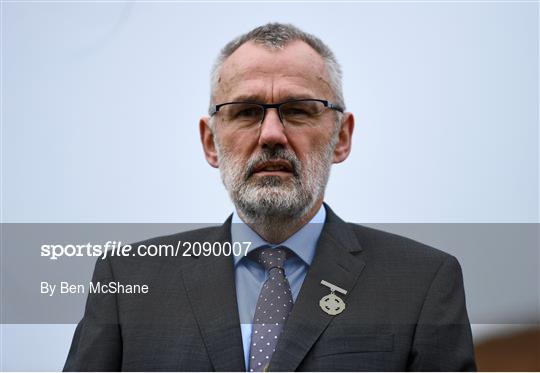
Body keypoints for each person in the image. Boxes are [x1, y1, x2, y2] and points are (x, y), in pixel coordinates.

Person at [64, 23, 476, 371]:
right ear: (210, 142)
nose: (272, 134)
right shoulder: (127, 281)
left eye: (298, 110)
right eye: (246, 111)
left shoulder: (421, 283)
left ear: (342, 138)